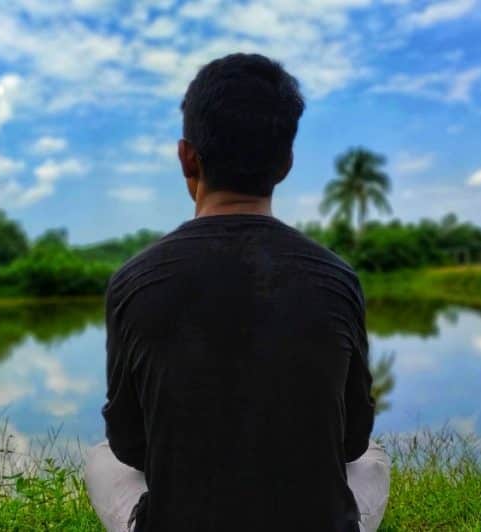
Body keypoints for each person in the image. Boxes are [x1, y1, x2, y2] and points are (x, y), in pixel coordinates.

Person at [84, 53, 390, 532]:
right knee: (373, 459)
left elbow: (128, 444)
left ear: (187, 155)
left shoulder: (133, 279)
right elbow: (351, 441)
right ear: (286, 162)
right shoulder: (337, 278)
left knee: (101, 459)